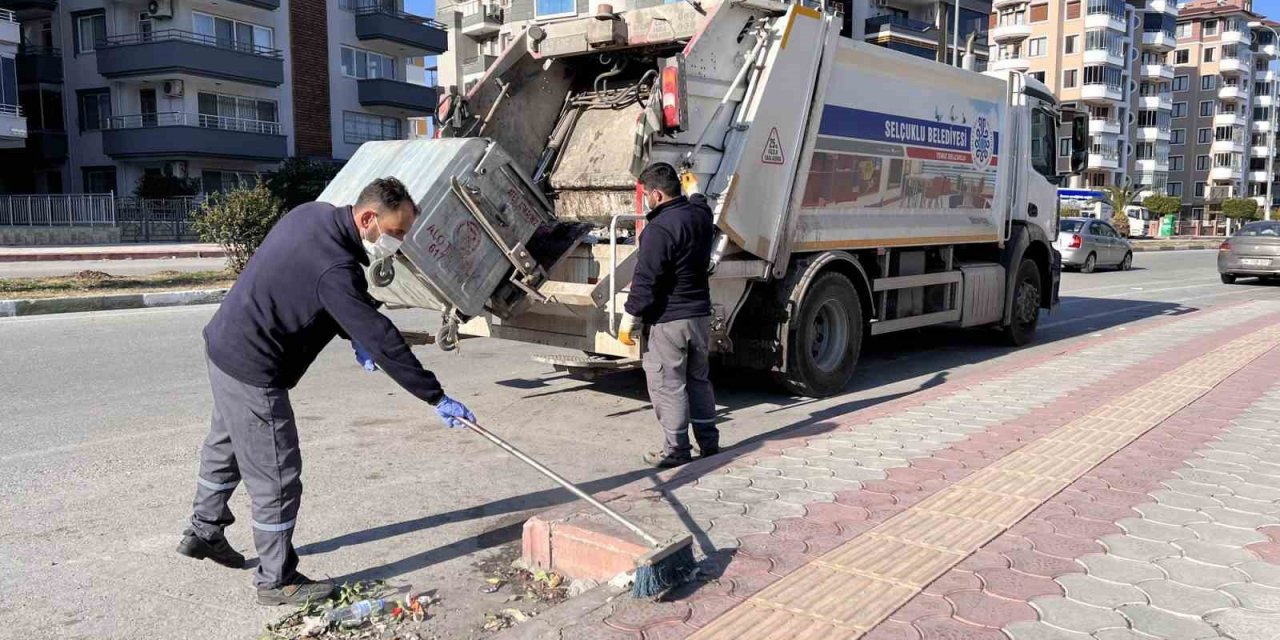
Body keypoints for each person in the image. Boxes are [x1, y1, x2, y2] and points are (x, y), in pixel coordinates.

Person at [176, 177, 476, 605]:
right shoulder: (337, 270)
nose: (399, 241)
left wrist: (353, 330)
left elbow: (314, 290)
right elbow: (382, 337)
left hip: (223, 344)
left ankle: (204, 529)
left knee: (225, 446)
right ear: (369, 218)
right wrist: (434, 396)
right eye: (396, 233)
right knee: (277, 477)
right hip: (254, 367)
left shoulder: (311, 214)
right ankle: (276, 581)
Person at [619, 162, 718, 469]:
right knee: (698, 379)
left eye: (647, 194)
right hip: (699, 316)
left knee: (668, 385)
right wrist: (695, 190)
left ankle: (676, 449)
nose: (647, 198)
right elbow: (702, 204)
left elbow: (646, 280)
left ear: (658, 195)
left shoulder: (658, 230)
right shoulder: (700, 216)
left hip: (668, 320)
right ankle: (709, 442)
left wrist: (630, 317)